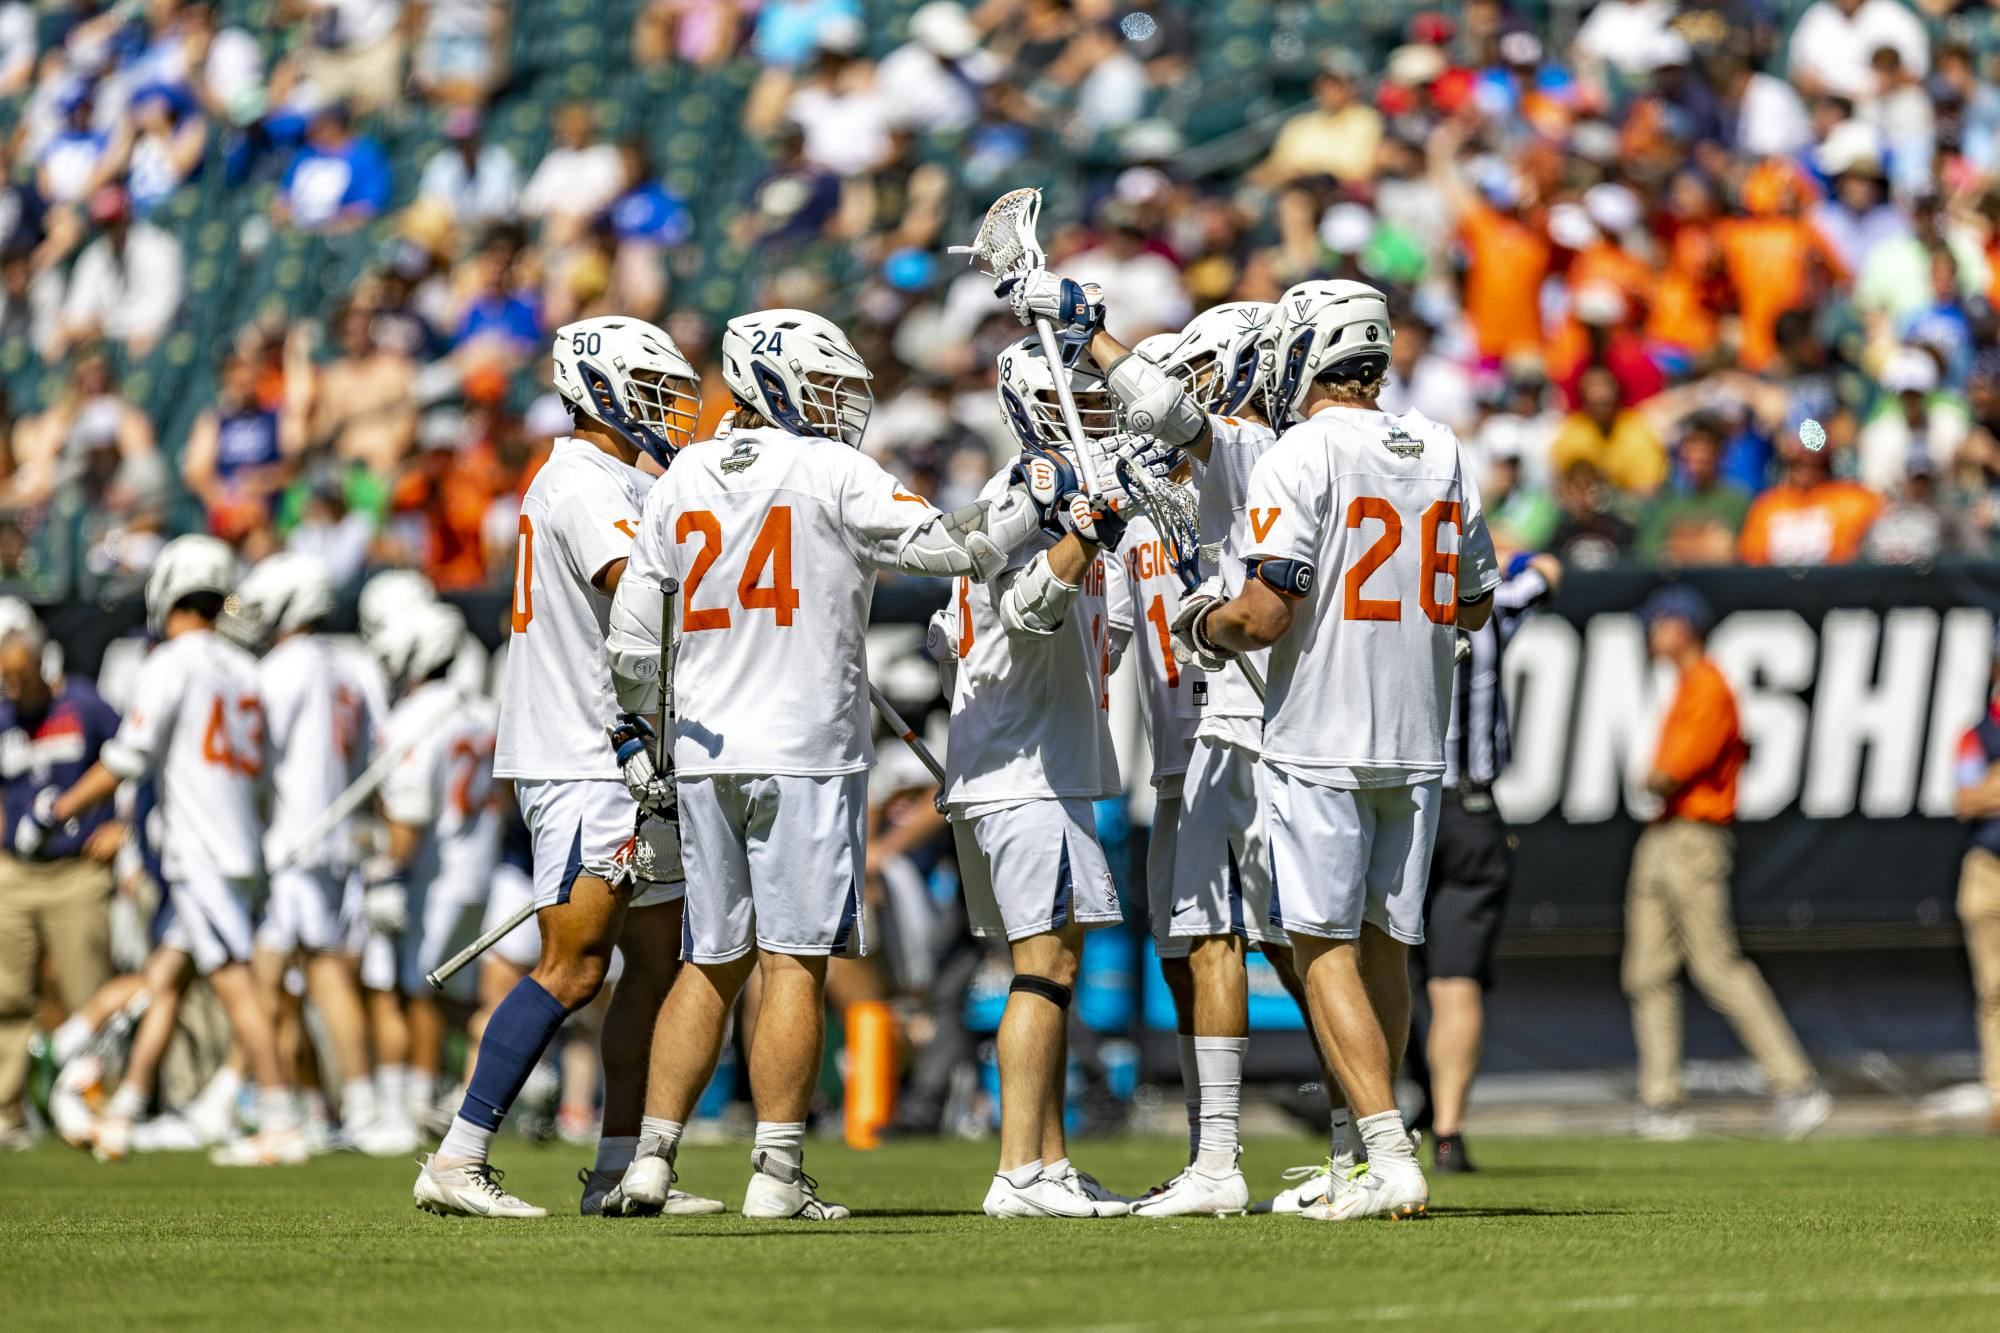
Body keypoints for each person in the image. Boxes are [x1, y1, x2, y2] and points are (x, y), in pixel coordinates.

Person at [604, 308, 1037, 1220]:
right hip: (802, 752)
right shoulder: (833, 469)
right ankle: (776, 1172)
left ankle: (650, 1160)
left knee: (707, 958)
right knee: (792, 962)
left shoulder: (682, 476)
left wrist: (640, 737)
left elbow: (634, 644)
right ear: (780, 380)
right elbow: (953, 545)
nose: (843, 406)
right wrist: (1038, 492)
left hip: (702, 749)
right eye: (831, 387)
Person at [1171, 279, 1499, 1221]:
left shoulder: (1299, 450)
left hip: (1323, 729)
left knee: (1320, 946)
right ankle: (1362, 1153)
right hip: (1416, 733)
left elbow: (1266, 612)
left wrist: (1206, 626)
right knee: (1385, 943)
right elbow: (1474, 600)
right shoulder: (1440, 443)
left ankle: (1388, 1153)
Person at [414, 317, 708, 1219]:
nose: (673, 411)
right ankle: (458, 1155)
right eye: (655, 392)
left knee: (656, 962)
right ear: (603, 391)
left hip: (622, 752)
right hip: (591, 753)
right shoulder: (583, 480)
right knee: (573, 965)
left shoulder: (616, 475)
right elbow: (644, 588)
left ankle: (619, 1168)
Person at [1067, 299, 1311, 1215]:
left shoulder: (1258, 457)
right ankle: (1230, 1140)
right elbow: (1108, 637)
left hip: (1247, 738)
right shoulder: (1153, 510)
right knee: (1191, 952)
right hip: (1182, 757)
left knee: (1282, 942)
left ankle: (1253, 1150)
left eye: (1196, 377)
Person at [933, 335, 1149, 1219]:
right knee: (1042, 963)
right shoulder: (1018, 501)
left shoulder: (1088, 504)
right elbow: (1022, 618)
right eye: (1080, 404)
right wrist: (1077, 538)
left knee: (1053, 961)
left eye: (1103, 405)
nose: (1096, 417)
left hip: (1040, 761)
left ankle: (1049, 1162)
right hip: (1022, 770)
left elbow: (1112, 636)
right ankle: (1020, 1168)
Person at [39, 535, 305, 1166]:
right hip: (239, 847)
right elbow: (263, 771)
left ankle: (278, 1120)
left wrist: (56, 812)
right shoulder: (244, 667)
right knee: (165, 979)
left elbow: (127, 758)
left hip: (201, 851)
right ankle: (121, 1107)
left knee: (234, 985)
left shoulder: (170, 663)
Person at [1622, 586, 1831, 1142]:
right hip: (1664, 834)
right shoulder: (1687, 685)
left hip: (1694, 837)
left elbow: (1670, 772)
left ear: (1682, 626)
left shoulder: (1709, 685)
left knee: (1717, 966)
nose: (1651, 634)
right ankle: (1661, 1101)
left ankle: (1797, 1084)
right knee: (1646, 972)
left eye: (1658, 623)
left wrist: (1648, 777)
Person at [1405, 553, 1559, 1173]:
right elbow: (1546, 571)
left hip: (1402, 805)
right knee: (1455, 981)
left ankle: (1375, 1124)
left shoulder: (1394, 599)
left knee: (1378, 965)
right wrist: (1515, 553)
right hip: (1470, 806)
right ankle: (1447, 1132)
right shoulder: (1493, 608)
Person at [227, 554, 378, 1152]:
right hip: (333, 839)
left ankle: (346, 1105)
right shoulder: (348, 669)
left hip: (297, 838)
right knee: (287, 975)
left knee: (311, 971)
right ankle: (300, 1100)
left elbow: (254, 761)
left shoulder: (283, 670)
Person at [362, 602, 499, 1146]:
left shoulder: (415, 716)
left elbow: (411, 812)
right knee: (453, 995)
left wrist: (387, 870)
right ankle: (463, 1089)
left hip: (433, 873)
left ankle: (413, 1107)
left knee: (414, 991)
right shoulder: (481, 710)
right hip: (478, 864)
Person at [0, 601, 120, 1147]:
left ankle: (99, 1103)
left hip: (77, 871)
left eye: (18, 674)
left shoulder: (85, 703)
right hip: (16, 872)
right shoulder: (2, 713)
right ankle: (8, 1112)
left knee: (87, 993)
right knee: (7, 996)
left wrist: (126, 829)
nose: (12, 685)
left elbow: (135, 763)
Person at [1951, 632, 2000, 1134]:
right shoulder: (1978, 734)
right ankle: (1999, 1094)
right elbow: (1965, 800)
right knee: (1993, 989)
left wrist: (1991, 786)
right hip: (1987, 868)